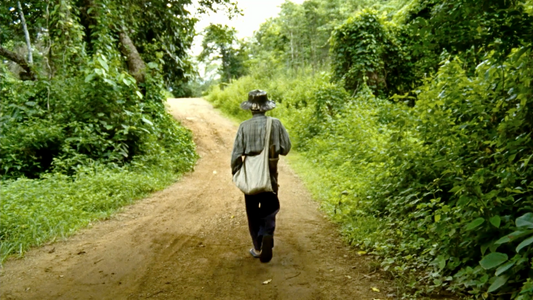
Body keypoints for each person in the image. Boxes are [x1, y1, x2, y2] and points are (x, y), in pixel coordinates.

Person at [231, 90, 291, 263]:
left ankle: (257, 246)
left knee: (252, 209)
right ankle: (267, 234)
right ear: (266, 108)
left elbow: (236, 154)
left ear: (251, 108)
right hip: (270, 172)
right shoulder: (276, 124)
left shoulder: (244, 126)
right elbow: (286, 148)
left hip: (250, 172)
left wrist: (236, 172)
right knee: (270, 207)